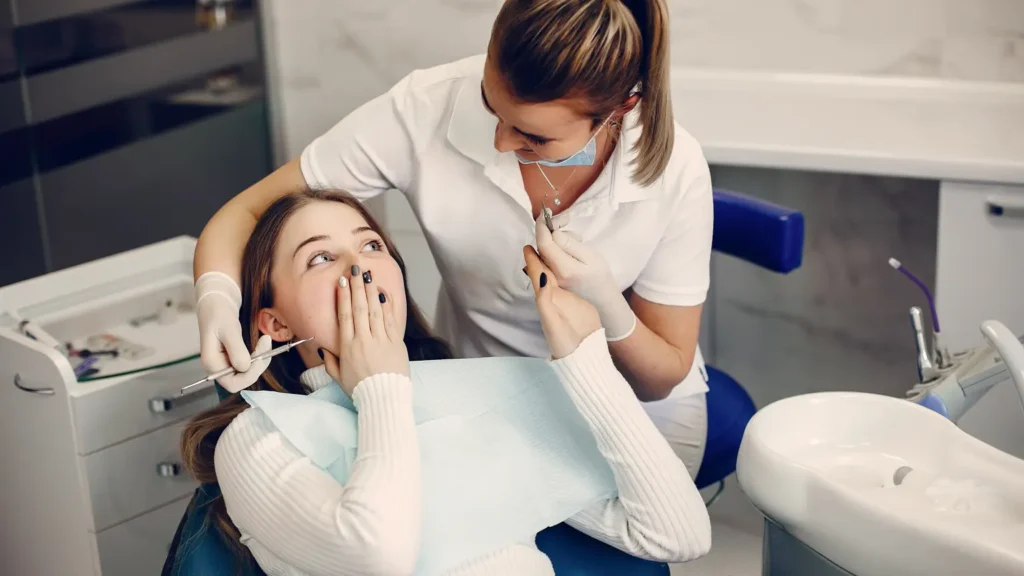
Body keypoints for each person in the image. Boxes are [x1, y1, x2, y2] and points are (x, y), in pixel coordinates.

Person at [193, 0, 713, 476]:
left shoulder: (677, 170)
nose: (500, 141)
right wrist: (216, 294)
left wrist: (609, 309)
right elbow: (250, 209)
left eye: (533, 136)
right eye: (491, 105)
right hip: (478, 395)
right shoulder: (425, 109)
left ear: (620, 109)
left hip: (634, 409)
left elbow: (661, 377)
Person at [180, 189, 711, 575]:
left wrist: (587, 362)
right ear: (275, 323)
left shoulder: (478, 393)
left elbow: (679, 535)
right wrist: (381, 388)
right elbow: (378, 556)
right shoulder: (257, 437)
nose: (359, 268)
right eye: (321, 257)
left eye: (372, 247)